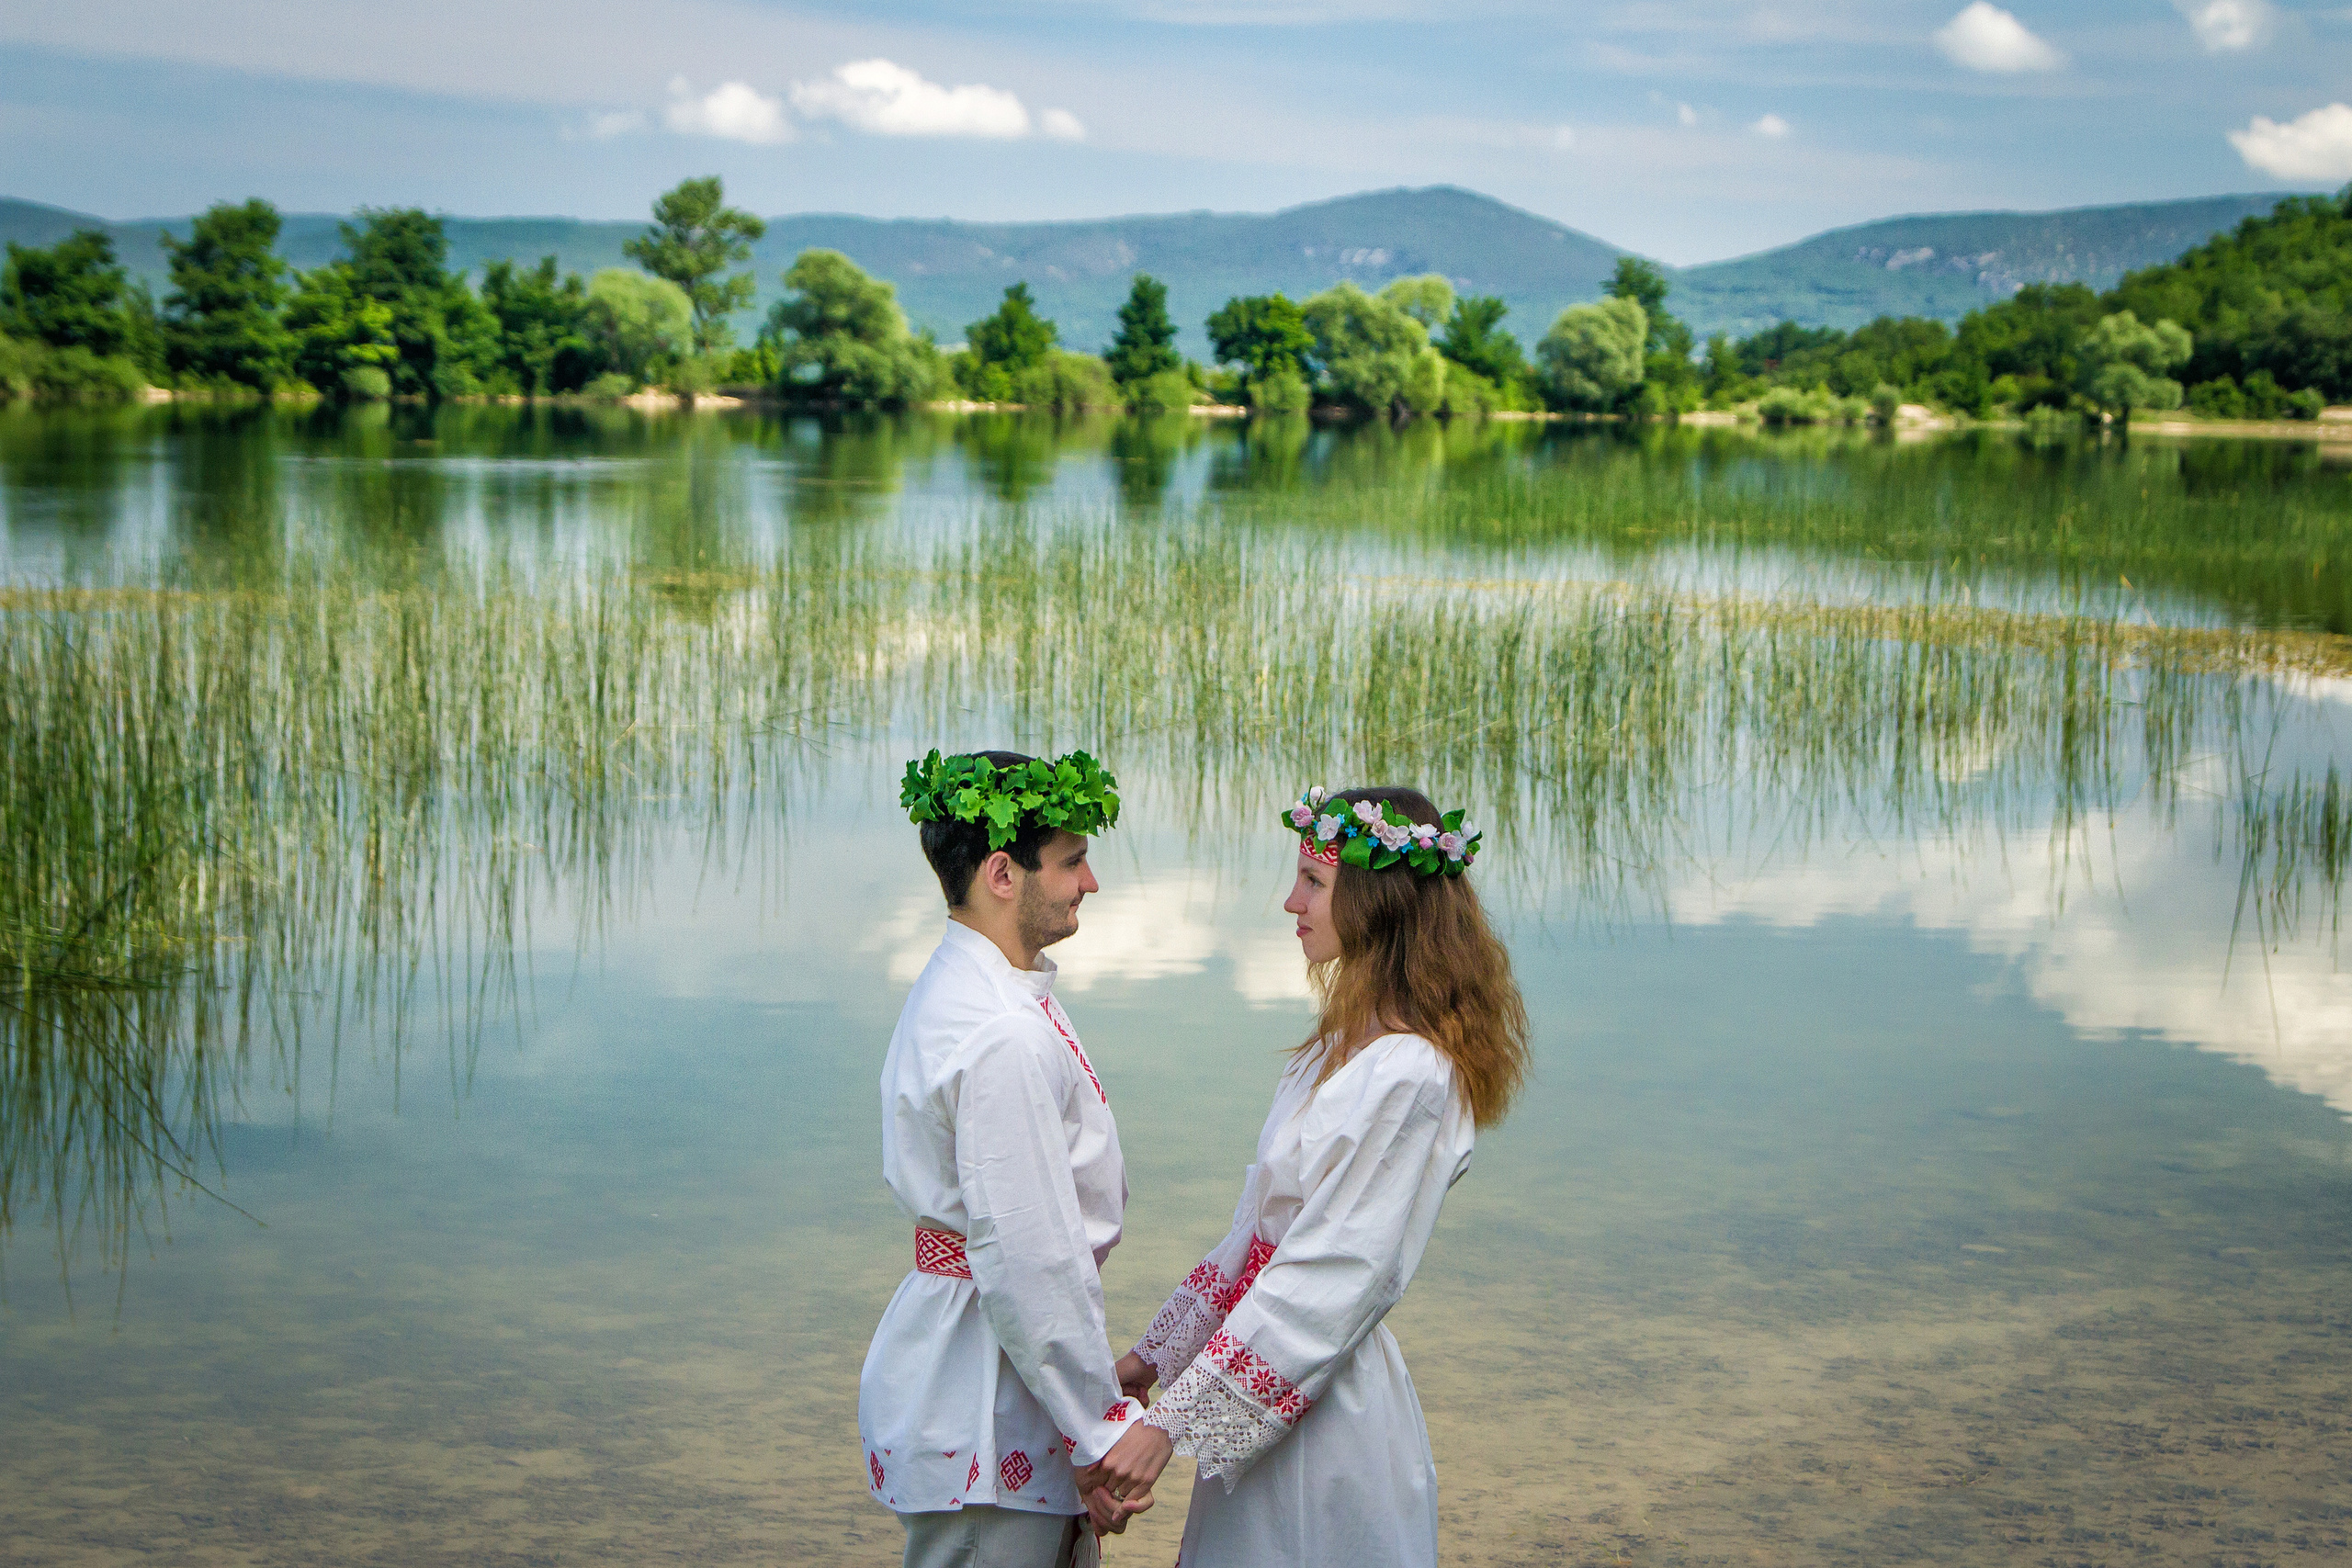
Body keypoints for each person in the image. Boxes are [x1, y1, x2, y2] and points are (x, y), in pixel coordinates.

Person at [1079, 785, 1529, 1566]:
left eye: (1313, 883)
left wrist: (1171, 1423)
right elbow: (1256, 1238)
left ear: (1377, 900)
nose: (1291, 902)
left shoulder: (1413, 1074)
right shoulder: (1336, 1047)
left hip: (1326, 1404)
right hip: (1265, 1376)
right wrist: (1148, 1361)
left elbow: (1334, 1274)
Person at [860, 749, 1152, 1568]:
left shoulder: (981, 990)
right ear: (1000, 872)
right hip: (984, 1393)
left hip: (994, 1368)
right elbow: (1026, 1252)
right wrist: (1097, 1430)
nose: (1088, 881)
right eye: (1071, 861)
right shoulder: (1000, 1031)